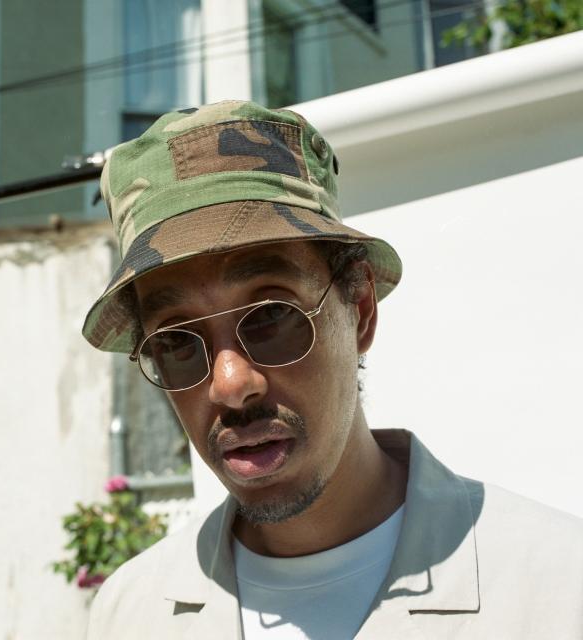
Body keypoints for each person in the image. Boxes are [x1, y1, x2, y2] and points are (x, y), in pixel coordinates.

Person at [82, 101, 582, 639]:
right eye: (176, 341)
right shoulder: (131, 614)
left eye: (272, 315)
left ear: (359, 309)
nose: (230, 384)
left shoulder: (555, 588)